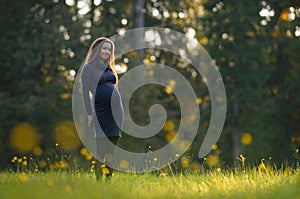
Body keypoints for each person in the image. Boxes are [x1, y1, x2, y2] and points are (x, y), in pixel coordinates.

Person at [80, 37, 124, 180]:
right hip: (100, 111)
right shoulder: (88, 68)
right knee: (101, 149)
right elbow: (85, 93)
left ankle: (108, 183)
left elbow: (112, 87)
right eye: (104, 48)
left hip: (116, 112)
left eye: (109, 49)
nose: (107, 51)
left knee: (111, 149)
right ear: (97, 49)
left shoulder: (109, 68)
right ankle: (99, 182)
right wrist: (89, 114)